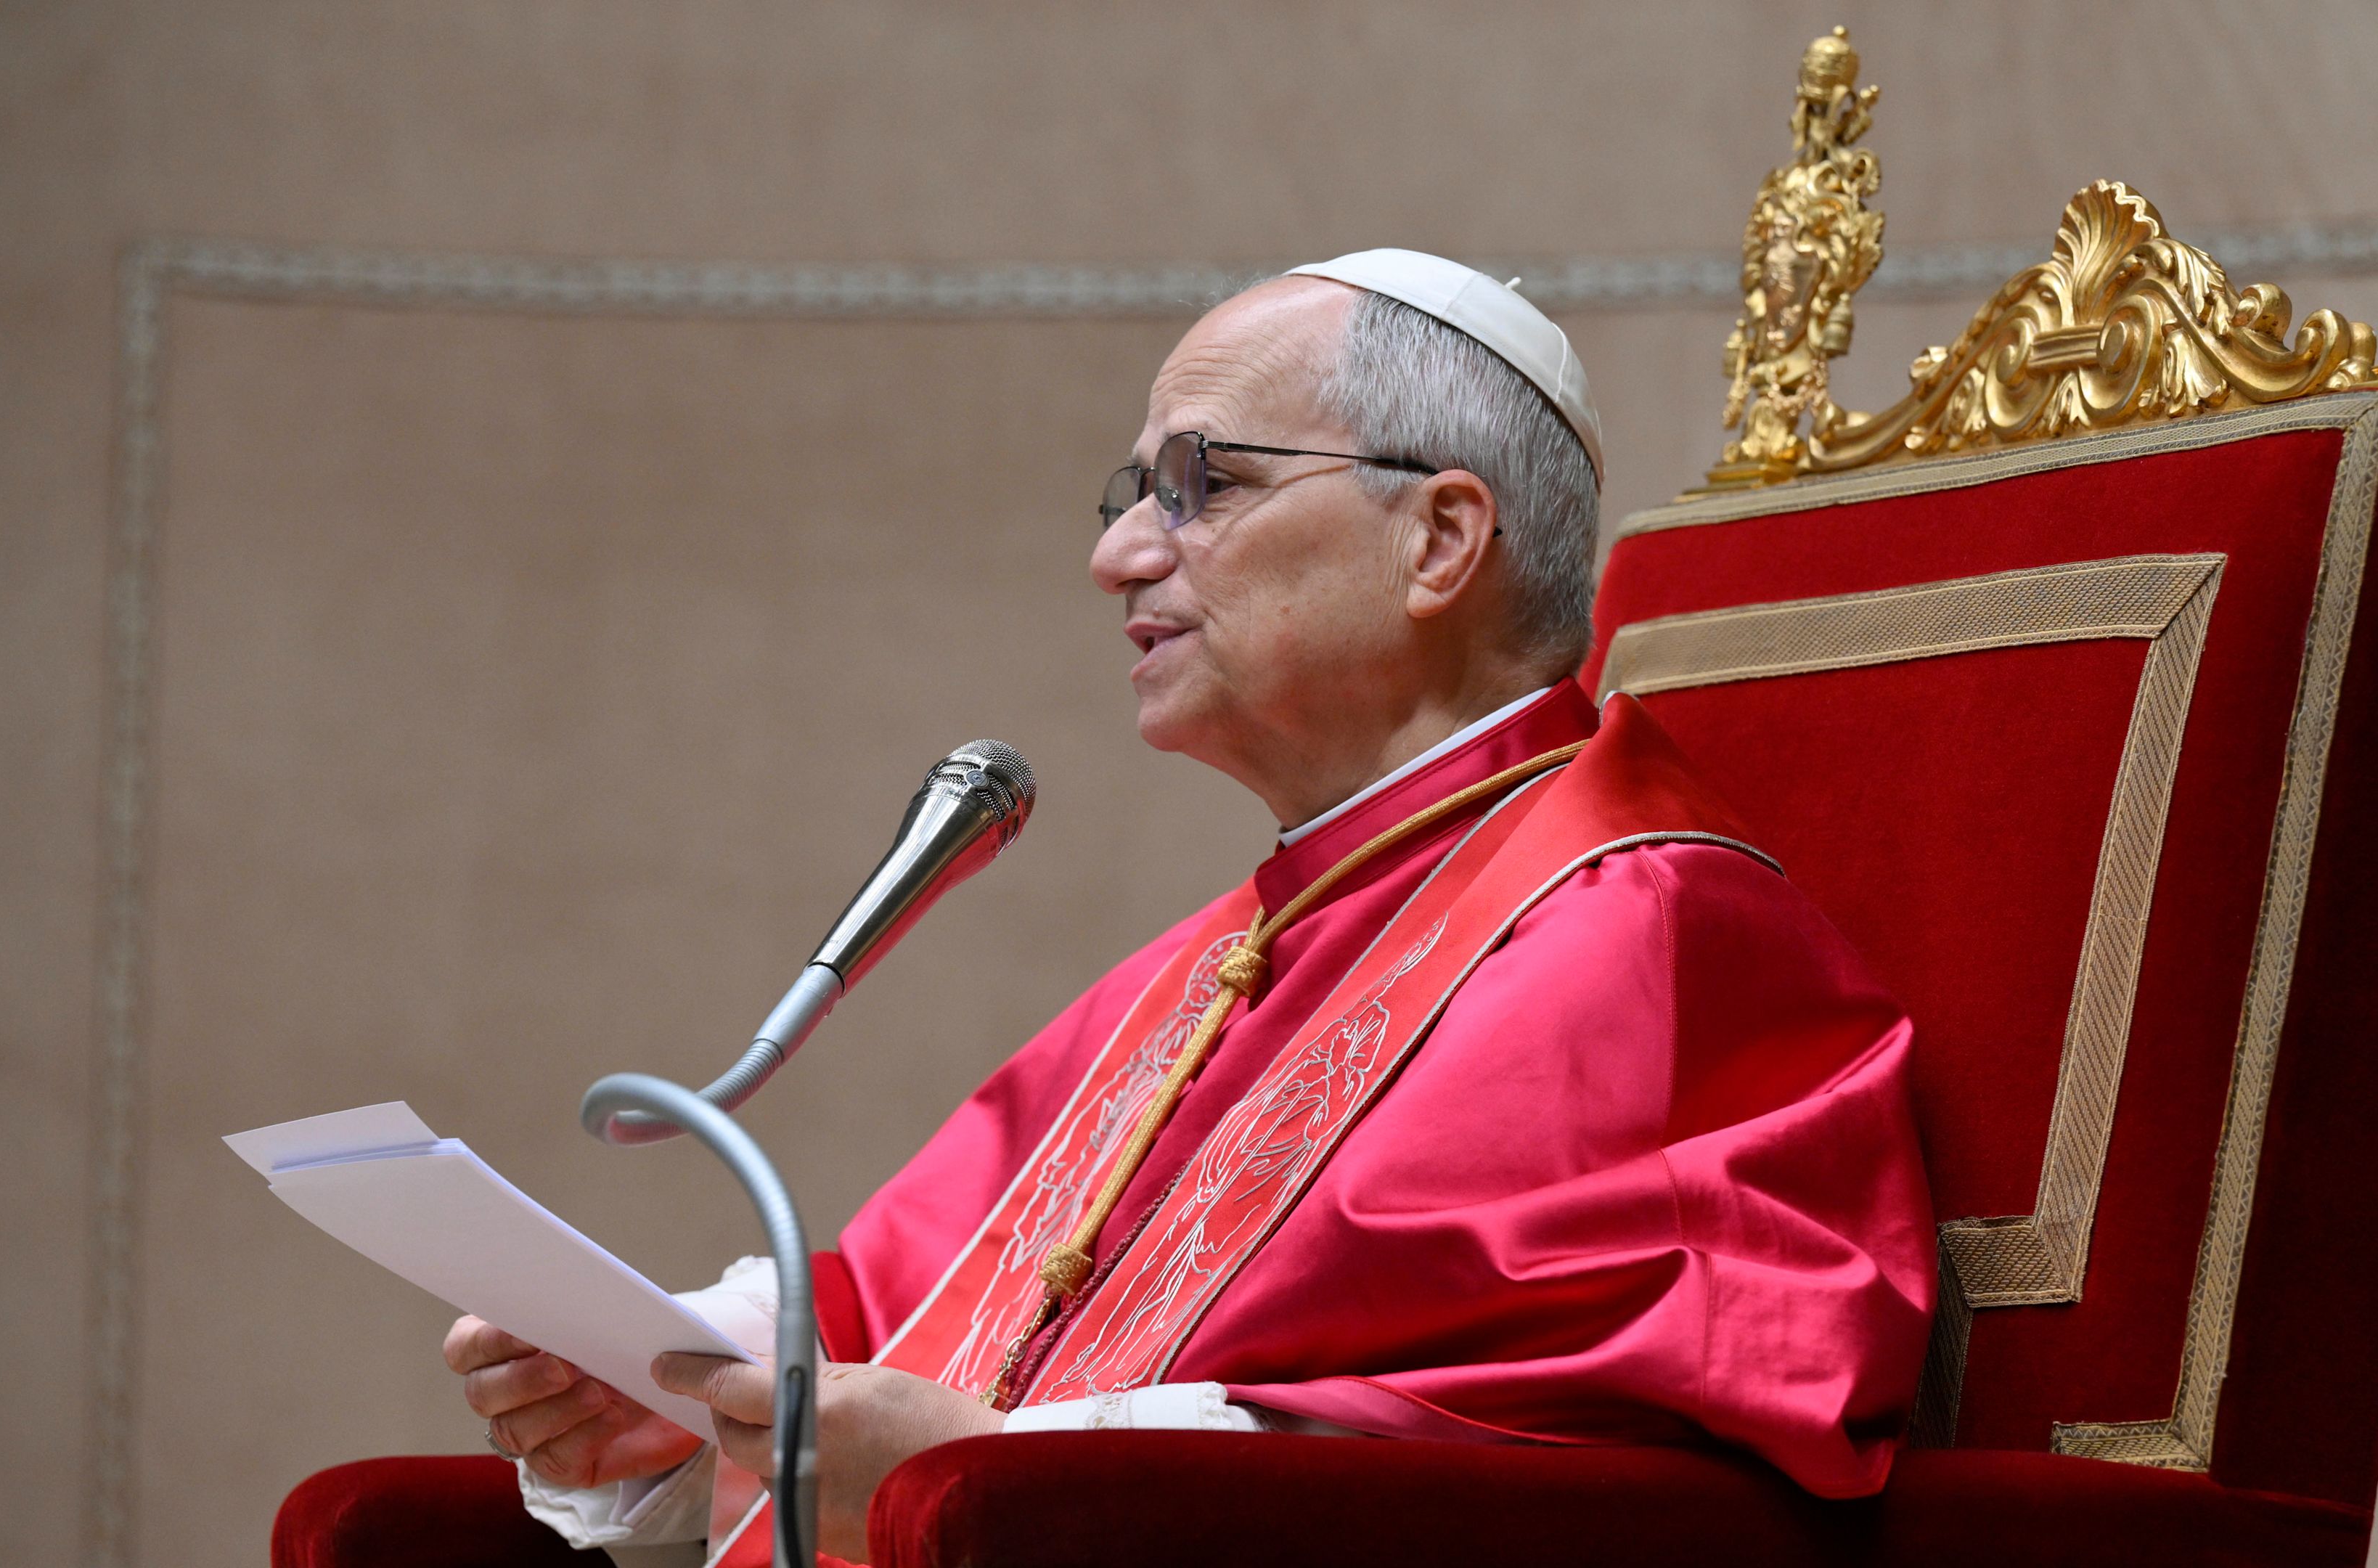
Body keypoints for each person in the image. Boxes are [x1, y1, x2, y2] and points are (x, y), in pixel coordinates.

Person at [445, 249, 1935, 1566]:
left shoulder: (1645, 929)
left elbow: (1585, 1478)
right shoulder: (1229, 956)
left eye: (1202, 485)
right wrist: (671, 1385)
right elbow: (931, 1309)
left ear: (1439, 539)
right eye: (1132, 497)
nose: (1120, 556)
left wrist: (996, 1484)